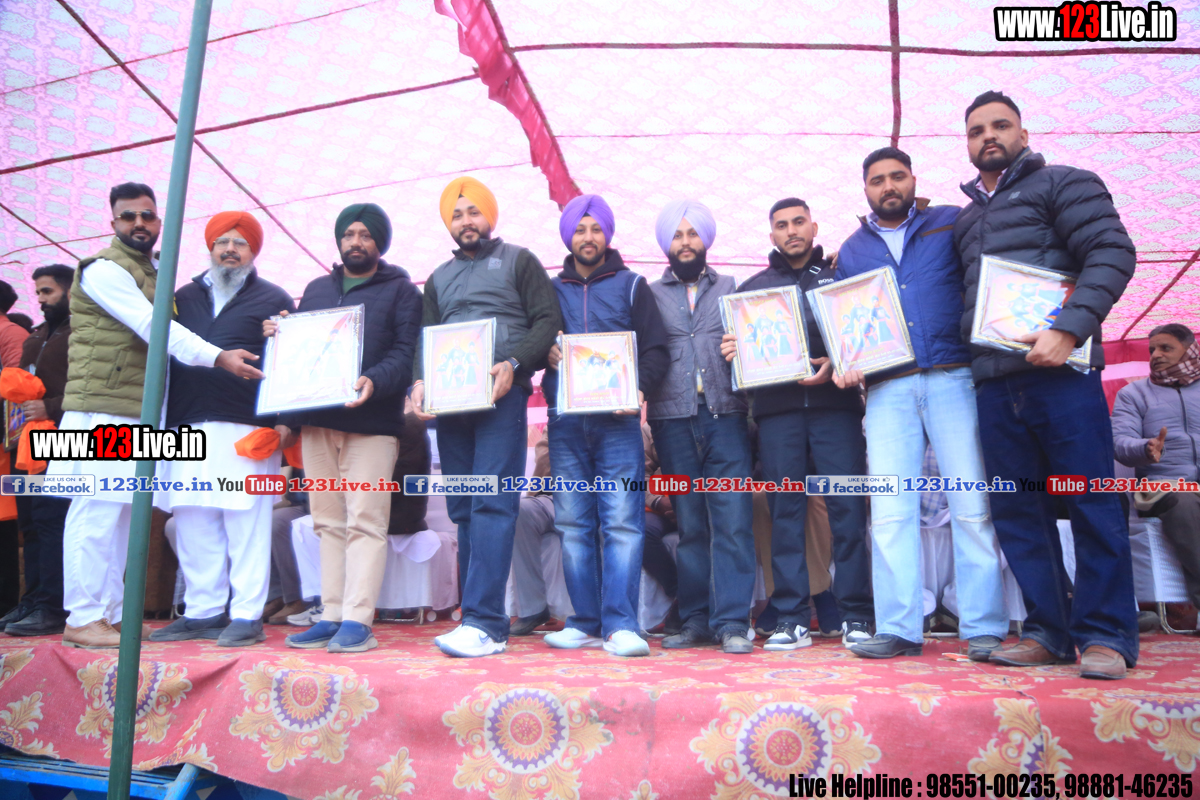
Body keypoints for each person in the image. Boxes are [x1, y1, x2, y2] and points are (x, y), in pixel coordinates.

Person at [956, 90, 1139, 679]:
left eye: (1000, 125)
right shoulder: (966, 221)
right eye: (977, 129)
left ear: (1024, 134)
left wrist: (1068, 330)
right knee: (1017, 511)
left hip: (1063, 376)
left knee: (1090, 500)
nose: (989, 135)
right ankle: (1047, 630)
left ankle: (1106, 634)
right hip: (994, 385)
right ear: (967, 144)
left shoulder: (1064, 182)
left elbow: (1112, 252)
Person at [52, 182, 264, 649]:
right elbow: (154, 327)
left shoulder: (153, 273)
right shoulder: (104, 269)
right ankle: (83, 615)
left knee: (123, 520)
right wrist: (218, 357)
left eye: (147, 215)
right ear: (113, 222)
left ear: (158, 222)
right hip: (99, 410)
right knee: (95, 515)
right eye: (129, 216)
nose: (139, 223)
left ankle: (108, 617)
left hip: (138, 416)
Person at [834, 148, 1008, 661]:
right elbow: (846, 322)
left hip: (954, 374)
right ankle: (898, 628)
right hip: (887, 387)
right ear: (865, 189)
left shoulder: (951, 223)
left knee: (971, 505)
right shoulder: (851, 250)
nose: (888, 186)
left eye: (897, 176)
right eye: (877, 180)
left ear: (913, 178)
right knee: (890, 511)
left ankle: (983, 626)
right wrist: (846, 360)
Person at [411, 177, 560, 658]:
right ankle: (475, 617)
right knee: (463, 507)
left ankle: (486, 624)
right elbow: (425, 337)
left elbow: (547, 321)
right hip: (452, 402)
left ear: (489, 216)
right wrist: (419, 382)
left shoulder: (519, 260)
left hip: (502, 395)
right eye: (457, 215)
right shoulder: (437, 278)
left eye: (473, 211)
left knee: (493, 502)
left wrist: (514, 363)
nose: (466, 221)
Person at [723, 198, 875, 651]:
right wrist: (735, 349)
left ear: (814, 227)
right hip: (777, 415)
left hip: (836, 408)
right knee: (784, 513)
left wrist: (838, 360)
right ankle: (791, 617)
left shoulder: (841, 278)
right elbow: (743, 358)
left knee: (848, 511)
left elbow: (864, 336)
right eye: (781, 225)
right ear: (771, 234)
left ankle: (856, 614)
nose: (791, 231)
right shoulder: (753, 292)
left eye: (798, 222)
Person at [272, 203, 423, 654]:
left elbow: (405, 353)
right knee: (327, 522)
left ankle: (358, 620)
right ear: (339, 241)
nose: (356, 242)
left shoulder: (402, 291)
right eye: (349, 235)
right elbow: (301, 353)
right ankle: (331, 614)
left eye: (365, 235)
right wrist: (281, 335)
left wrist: (373, 380)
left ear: (380, 242)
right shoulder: (316, 289)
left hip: (372, 426)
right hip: (319, 425)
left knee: (365, 522)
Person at [150, 211, 296, 647]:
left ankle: (247, 614)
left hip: (245, 427)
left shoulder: (274, 298)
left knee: (245, 521)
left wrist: (286, 424)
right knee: (192, 518)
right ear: (210, 247)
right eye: (222, 242)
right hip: (184, 424)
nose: (230, 250)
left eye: (240, 243)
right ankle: (203, 611)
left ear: (253, 251)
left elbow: (291, 362)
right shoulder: (181, 297)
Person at [542, 194, 669, 657]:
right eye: (580, 229)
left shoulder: (633, 286)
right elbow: (534, 343)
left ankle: (621, 625)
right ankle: (585, 622)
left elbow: (655, 350)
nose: (588, 237)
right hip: (565, 424)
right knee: (573, 524)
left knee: (622, 523)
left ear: (608, 234)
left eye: (596, 228)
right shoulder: (549, 291)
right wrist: (545, 352)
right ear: (568, 236)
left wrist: (639, 389)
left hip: (618, 425)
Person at [647, 199, 756, 654]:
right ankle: (695, 620)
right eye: (677, 235)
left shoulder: (731, 288)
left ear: (705, 239)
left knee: (733, 521)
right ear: (666, 244)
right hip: (671, 422)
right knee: (691, 525)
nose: (686, 242)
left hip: (725, 416)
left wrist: (744, 348)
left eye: (693, 233)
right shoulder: (649, 295)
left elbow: (758, 343)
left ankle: (732, 623)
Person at [0, 265, 74, 636]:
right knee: (29, 522)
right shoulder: (36, 335)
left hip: (62, 438)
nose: (41, 299)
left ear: (70, 291)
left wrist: (51, 407)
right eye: (39, 292)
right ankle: (32, 599)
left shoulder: (82, 334)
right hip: (24, 441)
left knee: (50, 519)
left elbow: (87, 391)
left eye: (48, 291)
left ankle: (52, 605)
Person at [1114, 326, 1200, 600]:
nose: (1155, 355)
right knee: (1184, 500)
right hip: (1162, 487)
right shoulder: (1133, 394)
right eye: (1152, 349)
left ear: (1189, 350)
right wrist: (1145, 448)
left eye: (1165, 348)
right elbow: (1119, 442)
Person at [508, 431, 560, 636]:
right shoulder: (558, 420)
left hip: (595, 498)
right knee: (520, 511)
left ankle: (590, 613)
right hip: (552, 496)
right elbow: (544, 455)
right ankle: (533, 609)